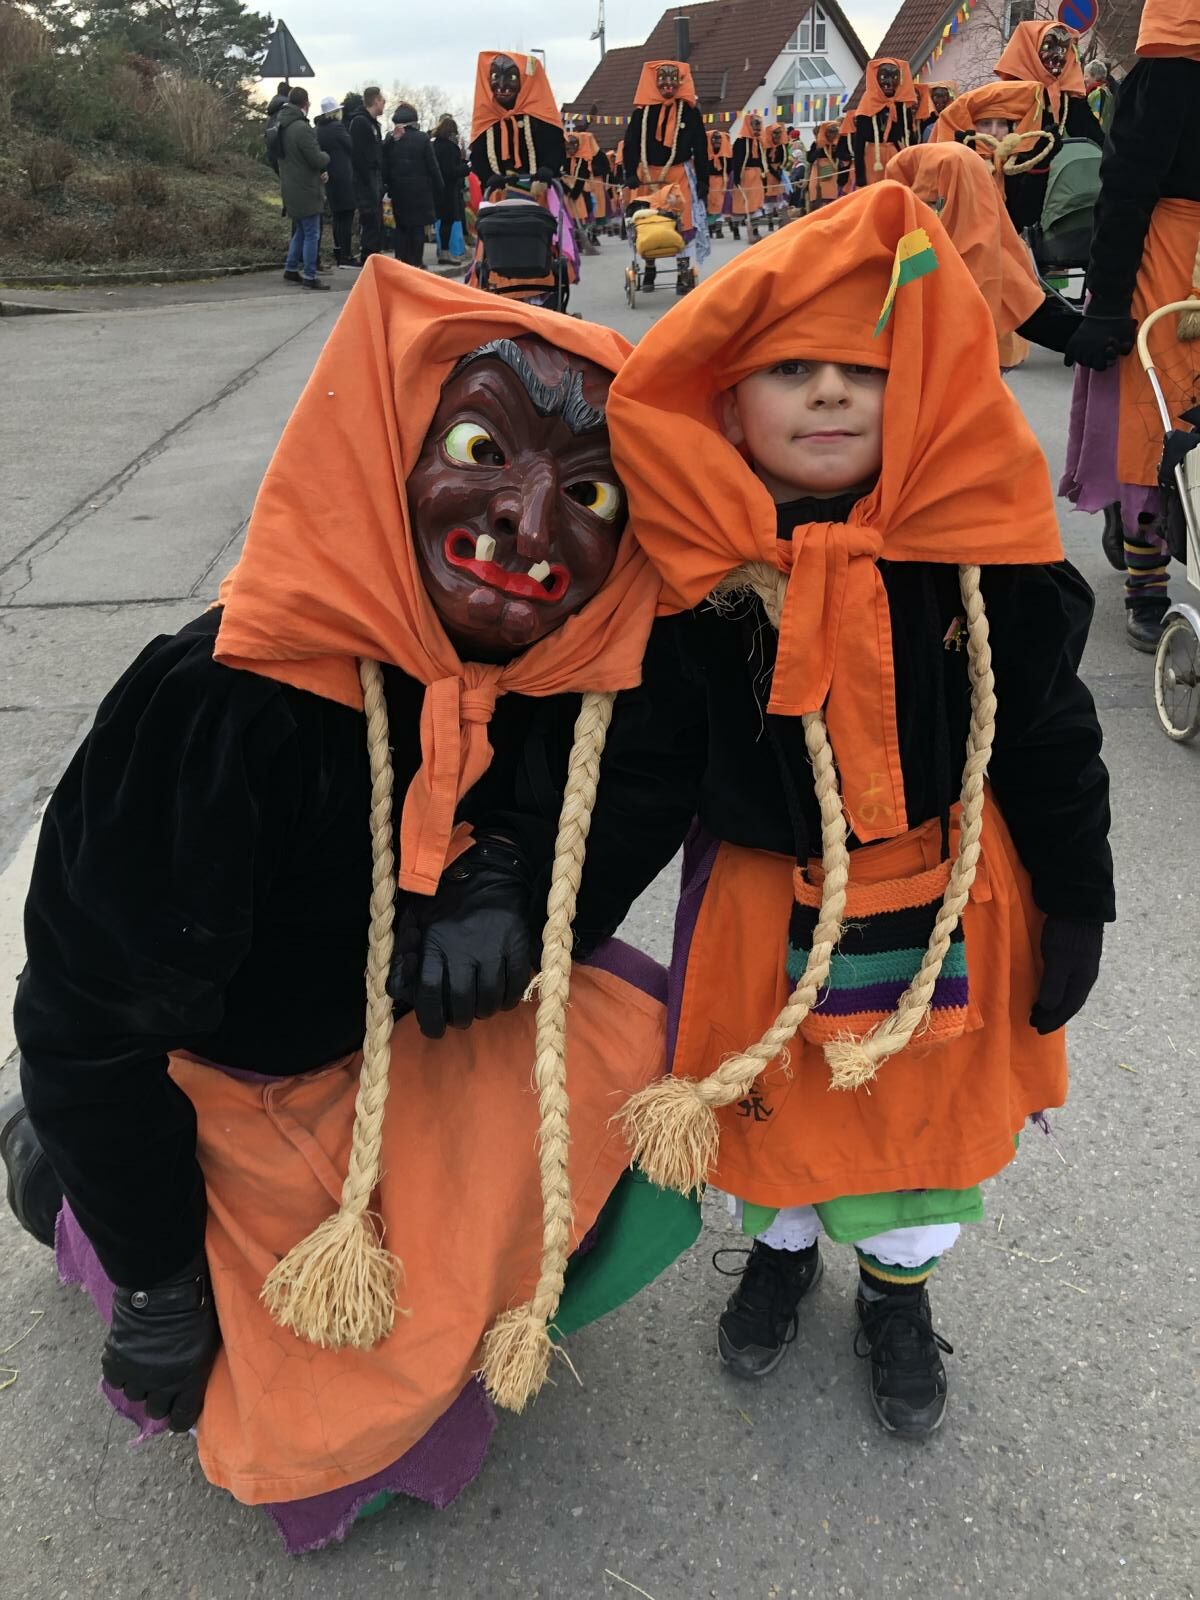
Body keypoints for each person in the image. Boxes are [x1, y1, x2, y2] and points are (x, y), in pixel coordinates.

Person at [2, 263, 706, 1543]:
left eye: (591, 491)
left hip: (388, 1050)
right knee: (326, 1429)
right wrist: (160, 1283)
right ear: (384, 447)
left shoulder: (560, 676)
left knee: (640, 1061)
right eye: (482, 450)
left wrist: (509, 869)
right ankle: (74, 1195)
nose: (531, 522)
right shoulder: (222, 706)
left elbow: (640, 786)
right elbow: (86, 1021)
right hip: (237, 1083)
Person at [607, 181, 1113, 1439]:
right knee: (775, 1101)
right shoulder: (703, 572)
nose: (830, 394)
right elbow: (645, 768)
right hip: (760, 904)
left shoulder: (980, 550)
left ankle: (898, 1290)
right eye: (792, 370)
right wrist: (551, 912)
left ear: (918, 385)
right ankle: (782, 1254)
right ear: (730, 399)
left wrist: (1078, 897)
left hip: (948, 893)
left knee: (919, 1124)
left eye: (863, 369)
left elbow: (1047, 732)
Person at [1060, 0, 1200, 651]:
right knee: (1156, 416)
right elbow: (1124, 188)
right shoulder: (1166, 75)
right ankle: (1147, 583)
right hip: (1165, 255)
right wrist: (1110, 302)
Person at [886, 141, 1081, 366]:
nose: (927, 213)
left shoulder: (992, 251)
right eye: (923, 204)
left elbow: (1034, 318)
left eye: (935, 203)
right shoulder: (906, 244)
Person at [992, 21, 1103, 229]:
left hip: (1053, 198)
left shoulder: (1069, 101)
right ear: (1030, 51)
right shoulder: (1008, 95)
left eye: (1063, 49)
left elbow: (1095, 139)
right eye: (1048, 46)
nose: (1058, 55)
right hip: (1011, 194)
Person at [623, 60, 710, 295]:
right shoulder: (641, 114)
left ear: (680, 83)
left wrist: (703, 179)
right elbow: (630, 145)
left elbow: (701, 147)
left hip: (678, 175)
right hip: (647, 176)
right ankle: (649, 268)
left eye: (673, 80)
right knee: (648, 221)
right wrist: (630, 173)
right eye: (662, 80)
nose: (668, 85)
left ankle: (683, 272)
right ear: (654, 84)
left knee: (682, 222)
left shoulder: (690, 113)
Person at [469, 51, 565, 183]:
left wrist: (548, 167)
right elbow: (478, 154)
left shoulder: (540, 115)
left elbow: (554, 146)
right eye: (495, 76)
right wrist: (488, 176)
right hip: (499, 191)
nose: (501, 85)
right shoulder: (486, 119)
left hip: (538, 189)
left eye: (512, 77)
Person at [277, 88, 331, 291]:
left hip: (290, 186)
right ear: (305, 104)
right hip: (306, 188)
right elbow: (316, 158)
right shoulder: (301, 128)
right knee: (311, 233)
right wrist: (326, 156)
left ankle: (291, 268)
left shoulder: (281, 125)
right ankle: (309, 275)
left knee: (300, 230)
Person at [383, 103, 443, 269]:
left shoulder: (391, 139)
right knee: (417, 227)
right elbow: (432, 166)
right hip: (420, 191)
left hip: (398, 190)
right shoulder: (422, 138)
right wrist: (439, 187)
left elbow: (385, 164)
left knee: (401, 226)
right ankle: (416, 261)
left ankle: (401, 260)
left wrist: (387, 185)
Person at [853, 58, 919, 188]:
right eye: (884, 77)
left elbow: (909, 134)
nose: (889, 82)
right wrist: (860, 175)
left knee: (895, 190)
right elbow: (859, 143)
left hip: (895, 153)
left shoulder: (901, 105)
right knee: (874, 191)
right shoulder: (867, 104)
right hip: (873, 158)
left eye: (894, 77)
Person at [315, 95, 357, 270]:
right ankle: (346, 255)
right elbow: (351, 145)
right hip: (343, 176)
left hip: (329, 176)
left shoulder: (318, 129)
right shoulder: (338, 127)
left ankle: (338, 252)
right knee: (347, 214)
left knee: (337, 216)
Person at [347, 85, 386, 264]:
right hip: (366, 180)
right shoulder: (360, 122)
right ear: (376, 101)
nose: (384, 104)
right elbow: (358, 155)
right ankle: (368, 258)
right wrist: (366, 181)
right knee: (370, 220)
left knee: (375, 221)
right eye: (382, 100)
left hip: (374, 179)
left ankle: (373, 257)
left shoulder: (373, 124)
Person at [431, 115, 469, 264]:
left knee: (441, 221)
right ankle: (445, 253)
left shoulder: (434, 145)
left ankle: (442, 251)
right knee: (448, 221)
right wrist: (466, 167)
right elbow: (452, 171)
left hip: (436, 189)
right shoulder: (450, 147)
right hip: (449, 190)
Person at [731, 112, 769, 234]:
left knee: (755, 203)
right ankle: (735, 228)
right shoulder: (740, 142)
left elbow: (762, 160)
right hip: (744, 176)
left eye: (759, 125)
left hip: (756, 177)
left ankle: (755, 230)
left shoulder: (759, 142)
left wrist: (764, 176)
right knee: (740, 203)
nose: (758, 128)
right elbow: (736, 161)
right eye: (755, 125)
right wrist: (737, 177)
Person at [805, 120, 844, 209]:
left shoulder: (838, 144)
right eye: (830, 132)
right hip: (819, 173)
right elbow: (810, 159)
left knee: (834, 198)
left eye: (835, 132)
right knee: (819, 199)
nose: (833, 135)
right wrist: (819, 149)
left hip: (834, 173)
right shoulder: (816, 144)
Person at [706, 128, 734, 236]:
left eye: (719, 139)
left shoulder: (726, 155)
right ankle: (710, 228)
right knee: (709, 205)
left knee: (720, 205)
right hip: (708, 182)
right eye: (714, 139)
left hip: (722, 182)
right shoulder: (705, 154)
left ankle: (718, 229)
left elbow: (730, 168)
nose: (717, 142)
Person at [1084, 59, 1116, 137]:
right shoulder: (1106, 91)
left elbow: (1089, 120)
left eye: (1086, 76)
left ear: (1095, 76)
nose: (1084, 79)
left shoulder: (1097, 93)